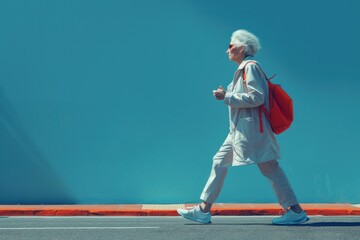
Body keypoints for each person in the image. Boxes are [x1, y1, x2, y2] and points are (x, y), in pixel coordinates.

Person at [177, 29, 309, 225]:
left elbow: (257, 97)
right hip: (240, 131)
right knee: (219, 161)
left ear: (243, 47)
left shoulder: (250, 67)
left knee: (270, 168)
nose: (227, 50)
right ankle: (203, 209)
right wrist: (226, 92)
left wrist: (227, 97)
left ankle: (295, 210)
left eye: (231, 46)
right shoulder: (242, 70)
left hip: (252, 131)